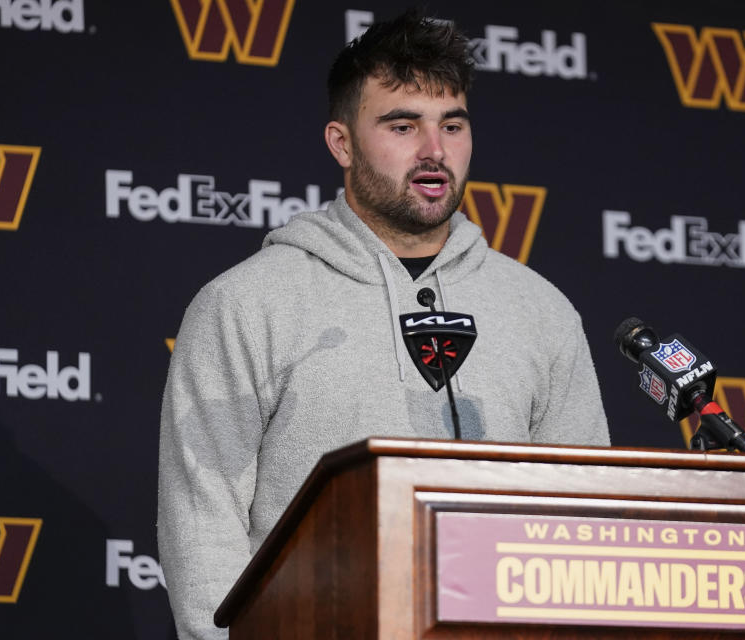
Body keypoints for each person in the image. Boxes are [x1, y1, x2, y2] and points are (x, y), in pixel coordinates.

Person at [157, 9, 609, 639]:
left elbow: (585, 516)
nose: (434, 150)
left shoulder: (541, 310)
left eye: (453, 125)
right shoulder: (245, 304)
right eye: (403, 125)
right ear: (342, 143)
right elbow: (202, 524)